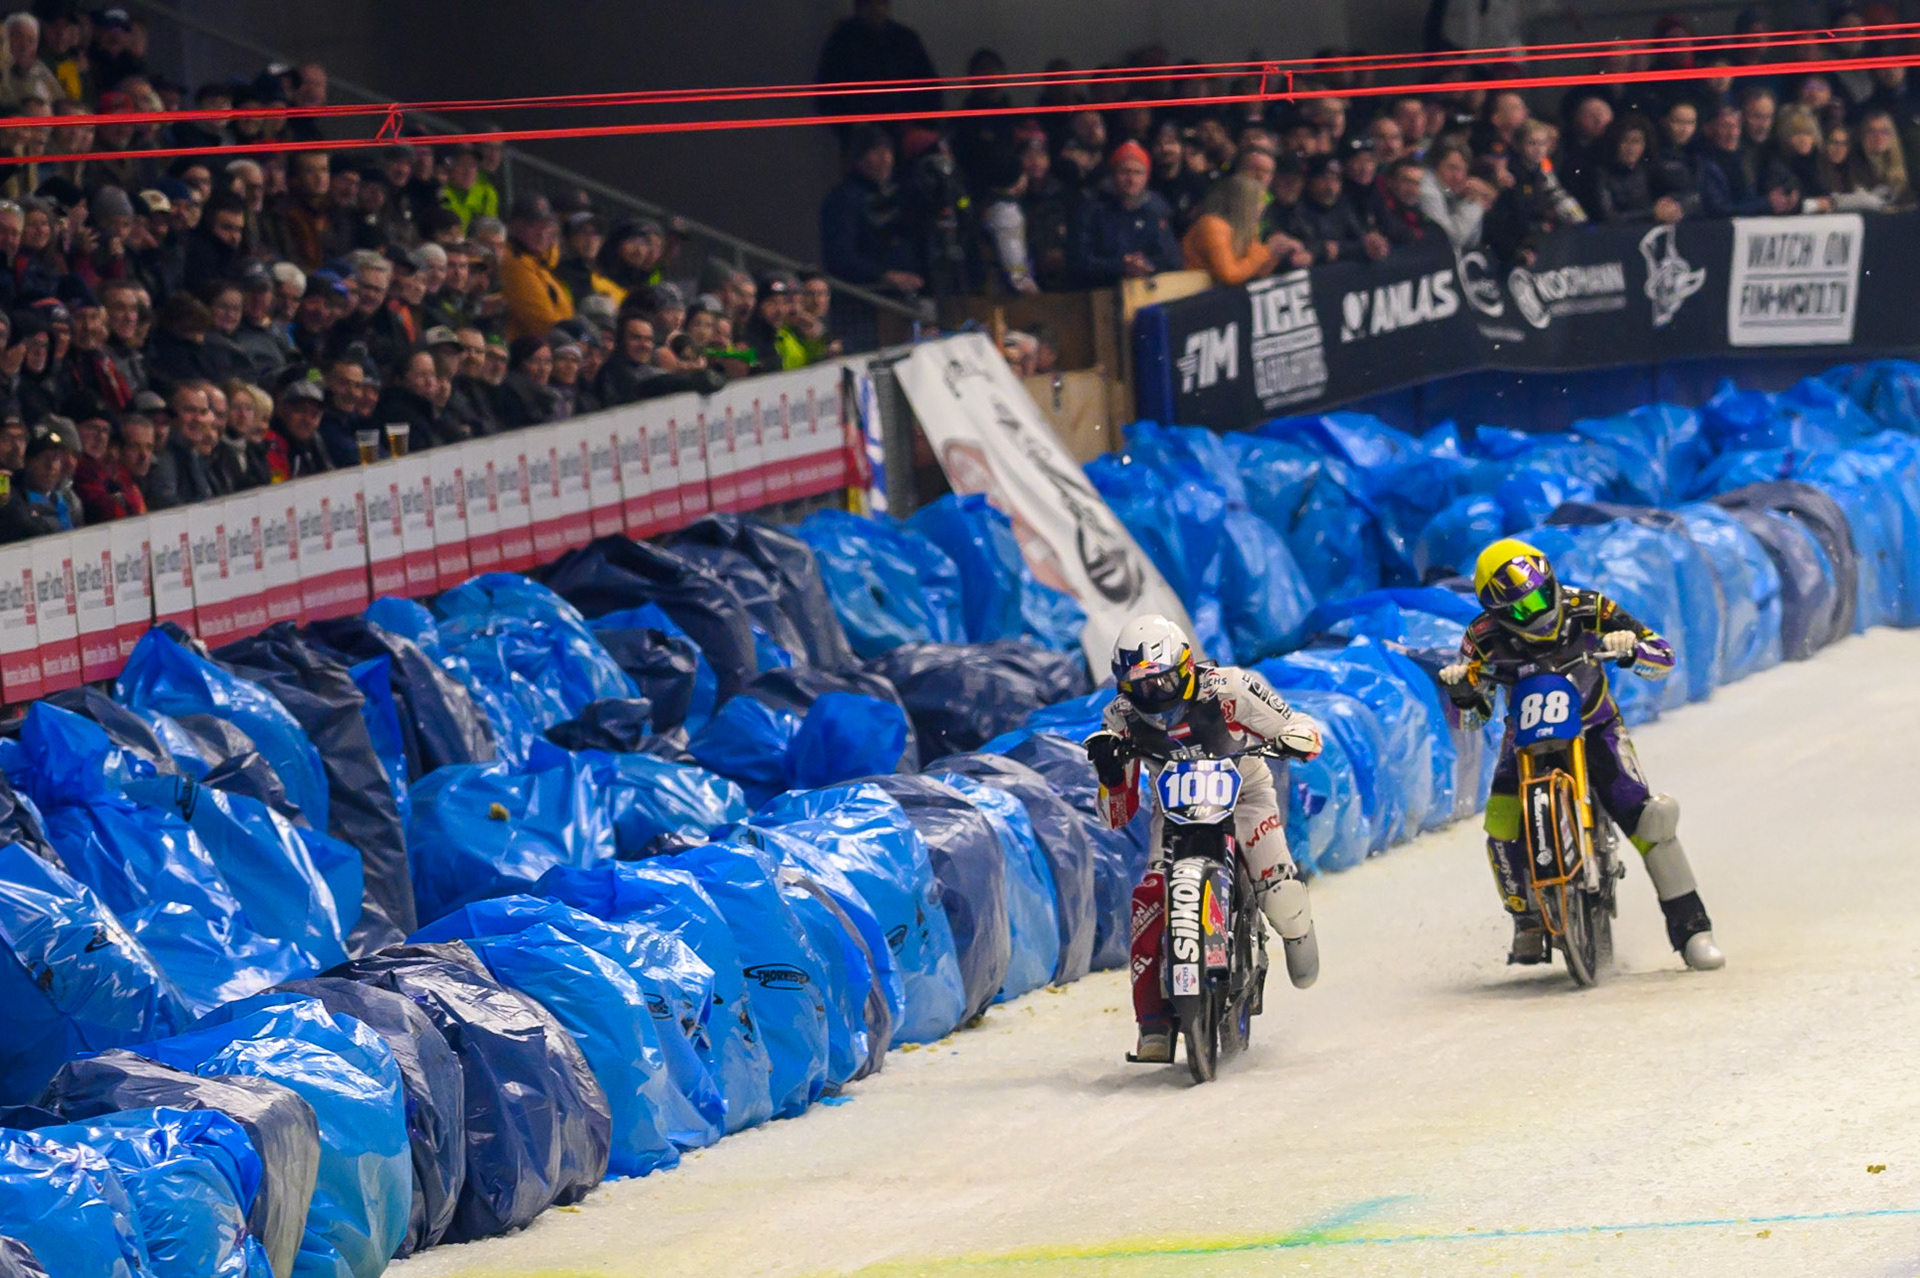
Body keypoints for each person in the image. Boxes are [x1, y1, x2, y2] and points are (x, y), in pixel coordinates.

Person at [1438, 539, 1725, 972]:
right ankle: (1526, 917)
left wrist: (1632, 649)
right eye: (1520, 608)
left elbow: (1663, 655)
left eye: (1540, 597)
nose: (1536, 612)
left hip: (1596, 727)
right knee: (1500, 821)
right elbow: (1471, 720)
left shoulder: (1588, 606)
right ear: (1497, 613)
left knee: (1650, 819)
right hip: (1524, 738)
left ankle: (1693, 929)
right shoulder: (1479, 638)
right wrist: (1463, 692)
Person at [1083, 615, 1326, 1064]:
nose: (1154, 696)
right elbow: (1115, 816)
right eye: (1141, 688)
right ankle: (1152, 1024)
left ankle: (1297, 934)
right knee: (1149, 896)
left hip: (1244, 791)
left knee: (1280, 894)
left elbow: (1299, 726)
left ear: (1186, 668)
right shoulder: (1119, 717)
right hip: (1173, 808)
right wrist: (1111, 773)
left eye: (1163, 682)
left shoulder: (1231, 687)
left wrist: (1296, 740)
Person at [1069, 141, 1181, 287]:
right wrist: (1121, 267)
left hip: (1145, 288)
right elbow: (1079, 261)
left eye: (1138, 173)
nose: (1131, 179)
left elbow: (1173, 259)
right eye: (1124, 172)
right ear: (1113, 174)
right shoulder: (1092, 208)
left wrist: (1147, 264)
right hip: (1101, 289)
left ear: (1146, 177)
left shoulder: (1156, 209)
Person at [1181, 173, 1307, 285]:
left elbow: (1254, 273)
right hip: (1197, 294)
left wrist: (1276, 253)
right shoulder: (1212, 225)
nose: (1262, 209)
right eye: (1258, 202)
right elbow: (1229, 275)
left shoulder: (1245, 230)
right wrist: (1266, 251)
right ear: (1244, 204)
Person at [499, 192, 575, 341]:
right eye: (532, 225)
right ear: (513, 226)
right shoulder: (514, 261)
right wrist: (575, 337)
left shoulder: (540, 264)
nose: (541, 233)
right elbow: (542, 322)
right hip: (529, 348)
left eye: (545, 226)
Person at [1418, 141, 1497, 250]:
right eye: (1452, 168)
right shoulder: (1428, 191)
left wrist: (1466, 199)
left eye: (1462, 170)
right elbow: (1450, 238)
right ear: (1435, 166)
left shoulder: (1450, 191)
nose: (1458, 177)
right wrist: (1475, 204)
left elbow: (1472, 241)